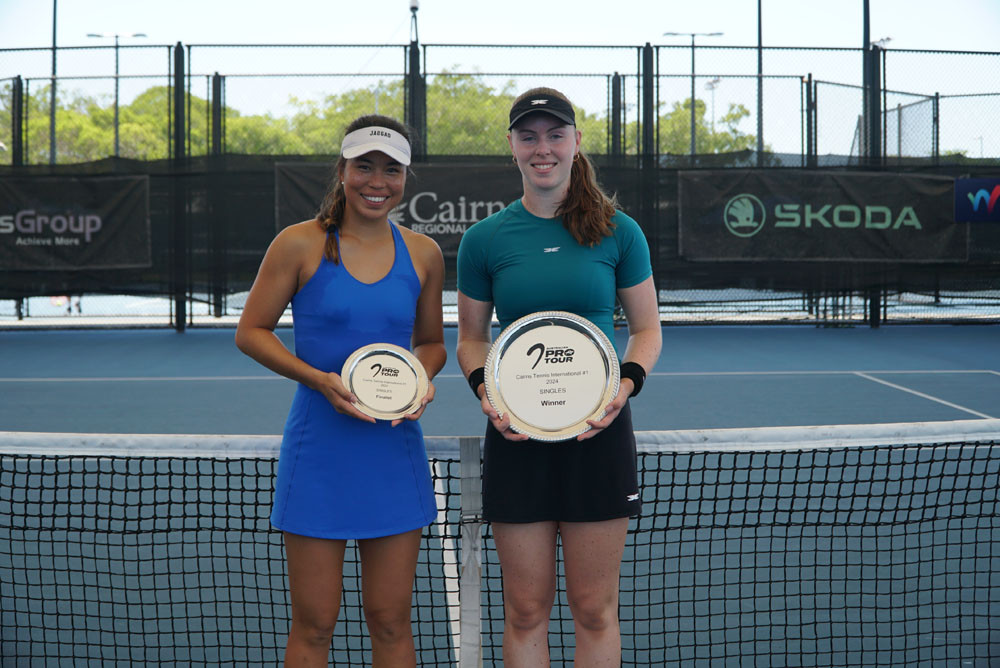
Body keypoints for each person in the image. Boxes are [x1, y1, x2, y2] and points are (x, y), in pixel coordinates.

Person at [456, 88, 662, 667]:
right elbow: (471, 340)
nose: (541, 148)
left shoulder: (621, 232)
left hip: (599, 438)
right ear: (512, 148)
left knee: (594, 608)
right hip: (516, 437)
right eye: (528, 136)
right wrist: (485, 391)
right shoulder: (485, 240)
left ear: (575, 142)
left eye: (553, 134)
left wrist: (623, 388)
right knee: (525, 610)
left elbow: (646, 331)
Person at [235, 114, 446, 667]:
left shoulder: (424, 254)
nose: (377, 181)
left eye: (391, 170)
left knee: (391, 619)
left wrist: (419, 381)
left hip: (393, 451)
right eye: (365, 167)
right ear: (343, 170)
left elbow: (431, 343)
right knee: (313, 623)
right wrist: (320, 380)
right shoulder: (298, 244)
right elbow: (251, 332)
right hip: (318, 453)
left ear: (406, 178)